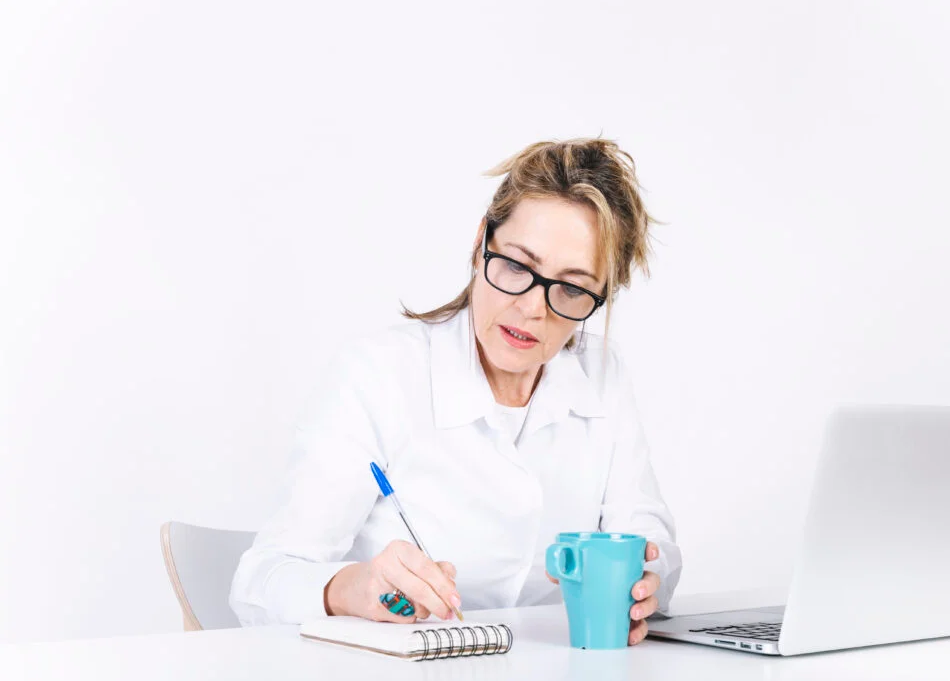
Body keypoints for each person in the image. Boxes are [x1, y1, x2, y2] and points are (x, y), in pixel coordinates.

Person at [229, 137, 682, 645]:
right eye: (515, 265)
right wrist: (349, 587)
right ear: (479, 245)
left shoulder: (602, 374)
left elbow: (649, 536)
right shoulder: (379, 374)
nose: (534, 308)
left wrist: (648, 579)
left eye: (572, 288)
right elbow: (260, 581)